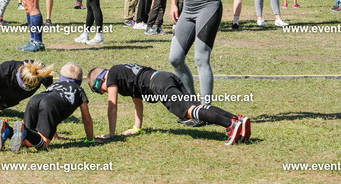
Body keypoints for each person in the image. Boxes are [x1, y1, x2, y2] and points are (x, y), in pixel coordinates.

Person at [87, 65, 251, 145]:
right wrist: (136, 128)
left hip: (159, 84)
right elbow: (138, 102)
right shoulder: (124, 75)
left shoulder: (113, 74)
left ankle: (230, 125)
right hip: (165, 76)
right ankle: (238, 120)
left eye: (101, 90)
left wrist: (111, 134)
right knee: (197, 106)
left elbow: (112, 105)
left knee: (189, 111)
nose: (106, 92)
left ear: (102, 79)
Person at [0, 62, 96, 152]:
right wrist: (90, 139)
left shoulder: (55, 85)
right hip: (50, 103)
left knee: (26, 141)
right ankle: (23, 130)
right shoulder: (79, 90)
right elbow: (86, 118)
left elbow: (52, 118)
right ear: (80, 81)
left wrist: (55, 135)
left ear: (60, 78)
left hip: (35, 99)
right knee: (43, 144)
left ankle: (7, 130)